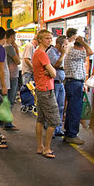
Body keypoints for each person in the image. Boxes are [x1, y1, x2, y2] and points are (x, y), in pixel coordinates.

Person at [32, 30, 60, 158]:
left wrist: (49, 71)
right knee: (54, 120)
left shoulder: (37, 53)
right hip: (46, 89)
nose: (50, 40)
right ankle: (47, 148)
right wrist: (50, 72)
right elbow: (54, 73)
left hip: (40, 89)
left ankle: (40, 146)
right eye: (47, 38)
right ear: (40, 40)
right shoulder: (42, 54)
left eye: (50, 38)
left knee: (41, 119)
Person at [63, 36, 93, 144]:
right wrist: (84, 42)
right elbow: (91, 51)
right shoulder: (74, 52)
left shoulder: (72, 52)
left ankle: (69, 133)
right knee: (75, 110)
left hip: (74, 83)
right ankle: (72, 134)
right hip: (74, 83)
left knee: (72, 109)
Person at [46, 35, 67, 137]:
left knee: (61, 107)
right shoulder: (51, 52)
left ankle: (58, 128)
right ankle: (51, 129)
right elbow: (56, 65)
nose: (66, 47)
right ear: (60, 44)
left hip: (60, 83)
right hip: (53, 83)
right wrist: (63, 55)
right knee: (53, 107)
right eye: (65, 45)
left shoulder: (59, 53)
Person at [3, 29, 21, 131]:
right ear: (12, 36)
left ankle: (5, 121)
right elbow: (18, 61)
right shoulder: (9, 47)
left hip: (8, 75)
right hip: (12, 76)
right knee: (10, 100)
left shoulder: (4, 47)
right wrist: (17, 49)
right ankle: (8, 123)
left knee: (7, 100)